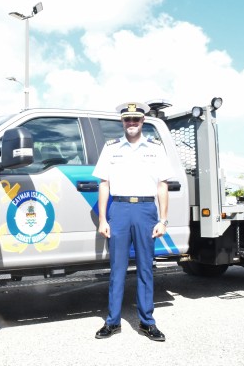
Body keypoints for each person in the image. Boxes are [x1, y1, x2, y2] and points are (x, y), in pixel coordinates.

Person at [92, 102, 172, 342]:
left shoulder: (155, 148)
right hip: (120, 209)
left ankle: (147, 322)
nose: (132, 123)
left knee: (146, 268)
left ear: (143, 121)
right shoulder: (111, 148)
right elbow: (104, 184)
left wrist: (163, 219)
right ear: (122, 122)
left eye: (136, 119)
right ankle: (113, 321)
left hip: (146, 210)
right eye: (127, 119)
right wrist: (103, 219)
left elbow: (162, 185)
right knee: (117, 269)